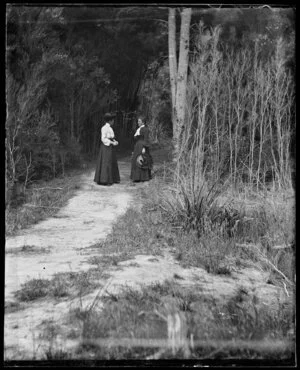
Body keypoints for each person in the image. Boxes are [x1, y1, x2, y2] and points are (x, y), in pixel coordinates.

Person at [94, 113, 120, 186]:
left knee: (111, 161)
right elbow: (103, 138)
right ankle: (105, 179)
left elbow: (111, 137)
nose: (113, 121)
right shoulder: (104, 128)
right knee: (106, 161)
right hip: (106, 147)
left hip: (110, 147)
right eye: (112, 120)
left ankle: (112, 178)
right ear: (110, 121)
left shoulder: (110, 128)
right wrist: (111, 142)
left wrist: (115, 141)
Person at [130, 116, 153, 182]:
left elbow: (146, 139)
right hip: (138, 146)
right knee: (136, 160)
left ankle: (143, 177)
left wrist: (144, 148)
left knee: (142, 160)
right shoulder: (139, 129)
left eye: (139, 121)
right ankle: (137, 177)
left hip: (142, 146)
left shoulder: (145, 129)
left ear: (143, 122)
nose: (138, 122)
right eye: (138, 121)